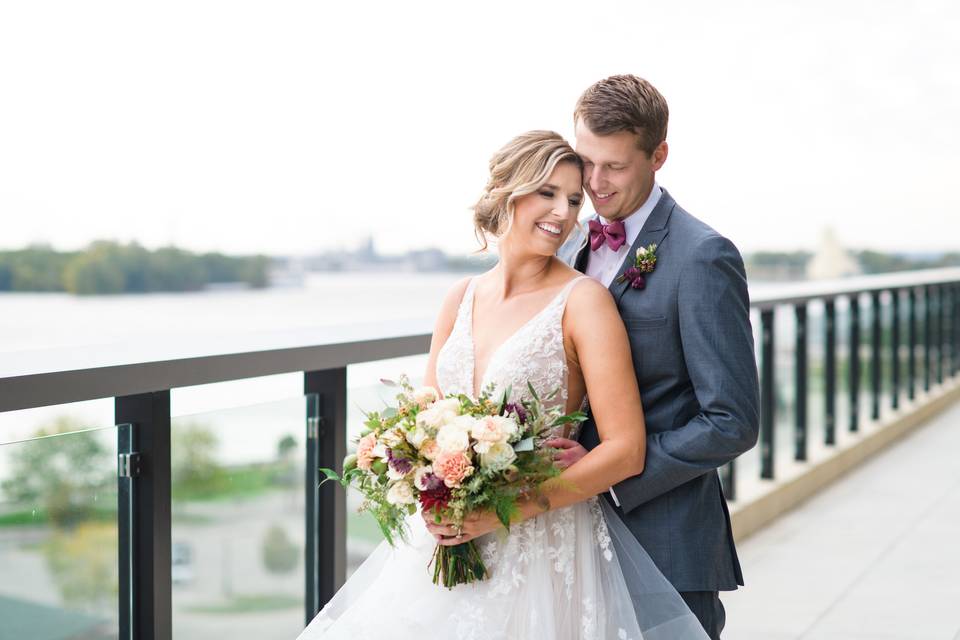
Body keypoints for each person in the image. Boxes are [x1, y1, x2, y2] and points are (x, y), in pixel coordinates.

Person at [297, 130, 707, 639]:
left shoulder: (585, 301)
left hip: (541, 547)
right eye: (547, 192)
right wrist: (432, 493)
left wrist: (502, 512)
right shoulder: (459, 296)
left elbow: (626, 450)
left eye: (574, 200)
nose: (562, 213)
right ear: (507, 192)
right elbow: (425, 417)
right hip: (448, 543)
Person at [553, 75, 761, 639]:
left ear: (659, 155)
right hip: (566, 540)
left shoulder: (703, 257)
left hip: (665, 539)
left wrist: (610, 473)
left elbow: (732, 422)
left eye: (614, 166)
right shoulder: (568, 247)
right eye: (584, 161)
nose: (595, 183)